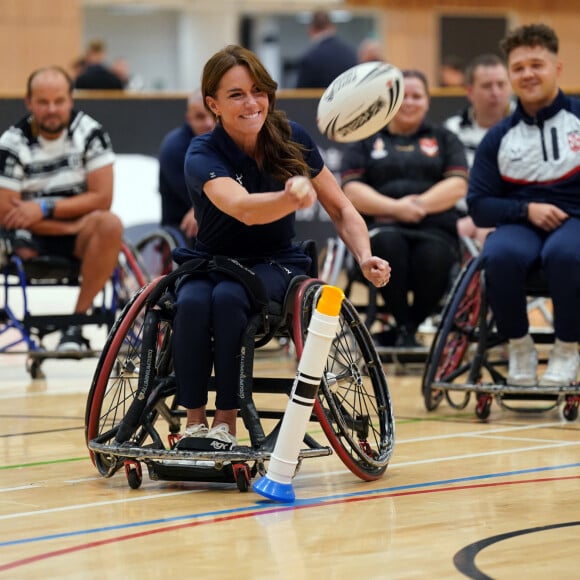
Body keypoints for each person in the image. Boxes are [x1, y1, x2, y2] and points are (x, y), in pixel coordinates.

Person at [172, 44, 390, 447]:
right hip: (212, 260)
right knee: (192, 302)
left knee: (228, 299)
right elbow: (242, 208)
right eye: (236, 94)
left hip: (276, 262)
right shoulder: (201, 151)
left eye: (258, 91)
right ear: (213, 105)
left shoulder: (291, 138)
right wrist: (290, 199)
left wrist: (365, 255)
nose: (252, 102)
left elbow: (341, 209)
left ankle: (226, 421)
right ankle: (193, 422)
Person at [467, 23, 580, 387]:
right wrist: (526, 211)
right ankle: (519, 346)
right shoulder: (498, 137)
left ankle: (566, 348)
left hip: (575, 220)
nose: (528, 74)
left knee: (566, 254)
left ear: (557, 69)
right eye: (518, 68)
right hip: (520, 222)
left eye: (537, 64)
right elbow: (479, 205)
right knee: (498, 254)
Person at [340, 69, 469, 348]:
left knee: (434, 256)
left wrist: (419, 206)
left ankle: (404, 329)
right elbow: (351, 190)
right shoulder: (365, 137)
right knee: (389, 244)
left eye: (416, 96)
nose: (409, 102)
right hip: (381, 228)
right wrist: (398, 208)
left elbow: (458, 184)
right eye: (402, 96)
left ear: (427, 101)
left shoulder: (445, 138)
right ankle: (405, 328)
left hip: (435, 231)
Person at [0, 66, 123, 352]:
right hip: (29, 237)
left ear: (71, 100)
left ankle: (75, 323)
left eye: (59, 101)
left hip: (76, 234)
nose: (52, 109)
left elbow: (102, 199)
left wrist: (43, 207)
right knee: (18, 241)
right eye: (43, 102)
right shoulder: (11, 142)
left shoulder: (91, 133)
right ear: (29, 102)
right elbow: (7, 212)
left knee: (110, 224)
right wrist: (72, 220)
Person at [444, 53, 513, 242]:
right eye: (486, 86)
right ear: (469, 91)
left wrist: (484, 219)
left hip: (509, 215)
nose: (495, 92)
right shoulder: (451, 129)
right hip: (458, 217)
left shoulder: (526, 127)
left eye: (501, 84)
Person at [158, 90, 216, 243]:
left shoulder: (230, 139)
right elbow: (196, 196)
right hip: (183, 225)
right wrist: (201, 207)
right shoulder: (173, 148)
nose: (209, 123)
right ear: (189, 119)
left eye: (213, 115)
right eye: (200, 117)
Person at [295, 10, 358, 89]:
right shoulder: (351, 52)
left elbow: (300, 95)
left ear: (311, 29)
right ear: (333, 27)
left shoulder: (310, 58)